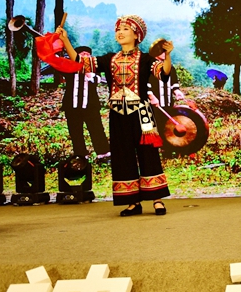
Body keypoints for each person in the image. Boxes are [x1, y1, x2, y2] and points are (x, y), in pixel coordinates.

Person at [58, 15, 173, 215]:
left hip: (142, 114)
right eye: (118, 30)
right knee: (122, 156)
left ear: (136, 35)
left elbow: (163, 74)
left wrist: (168, 55)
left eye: (125, 29)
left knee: (148, 154)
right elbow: (80, 62)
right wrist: (65, 40)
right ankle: (132, 202)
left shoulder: (146, 59)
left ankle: (157, 199)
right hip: (118, 114)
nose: (120, 33)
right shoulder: (109, 59)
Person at [59, 46, 110, 159]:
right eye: (83, 54)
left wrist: (89, 74)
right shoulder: (70, 67)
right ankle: (81, 155)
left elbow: (97, 80)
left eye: (88, 54)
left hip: (90, 106)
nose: (86, 56)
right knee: (75, 131)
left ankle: (103, 153)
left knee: (96, 129)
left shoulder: (93, 67)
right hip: (72, 106)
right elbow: (58, 66)